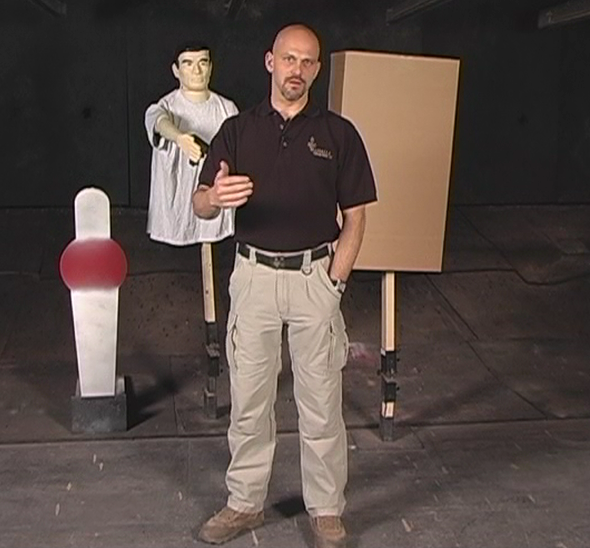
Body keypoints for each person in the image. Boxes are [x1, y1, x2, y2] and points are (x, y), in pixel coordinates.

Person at [192, 24, 377, 548]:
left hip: (313, 279)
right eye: (288, 59)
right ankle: (244, 504)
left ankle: (325, 511)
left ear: (317, 70)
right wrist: (215, 196)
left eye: (308, 62)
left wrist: (335, 280)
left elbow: (358, 215)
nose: (297, 69)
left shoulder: (339, 134)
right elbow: (199, 202)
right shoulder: (236, 130)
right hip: (252, 280)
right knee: (249, 401)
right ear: (270, 61)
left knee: (320, 402)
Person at [144, 42, 238, 245]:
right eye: (188, 64)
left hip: (215, 218)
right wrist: (179, 138)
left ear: (210, 67)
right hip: (175, 217)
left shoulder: (227, 109)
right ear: (176, 70)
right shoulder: (166, 106)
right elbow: (158, 121)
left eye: (202, 63)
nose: (196, 70)